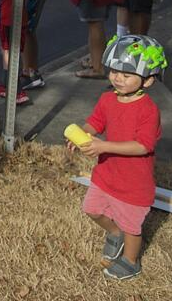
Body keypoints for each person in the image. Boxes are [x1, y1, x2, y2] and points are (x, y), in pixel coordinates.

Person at [69, 34, 166, 282]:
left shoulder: (148, 110)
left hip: (134, 183)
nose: (117, 78)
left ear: (148, 80)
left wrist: (103, 146)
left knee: (132, 228)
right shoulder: (107, 98)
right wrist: (82, 133)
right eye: (114, 71)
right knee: (90, 209)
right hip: (106, 174)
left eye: (126, 74)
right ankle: (114, 233)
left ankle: (131, 262)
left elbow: (143, 146)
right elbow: (96, 122)